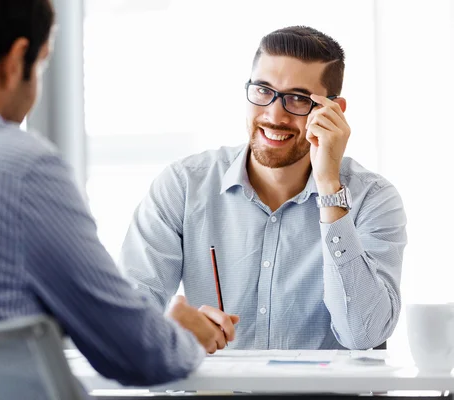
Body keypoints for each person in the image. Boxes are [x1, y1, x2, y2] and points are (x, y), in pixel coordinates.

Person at [0, 0, 240, 389]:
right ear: (14, 61)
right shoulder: (18, 167)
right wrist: (182, 333)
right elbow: (138, 354)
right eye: (39, 65)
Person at [119, 26, 407, 351]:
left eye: (298, 98)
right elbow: (126, 317)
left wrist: (330, 189)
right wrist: (166, 325)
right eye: (262, 90)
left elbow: (363, 335)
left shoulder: (373, 198)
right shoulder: (183, 185)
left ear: (333, 110)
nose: (274, 114)